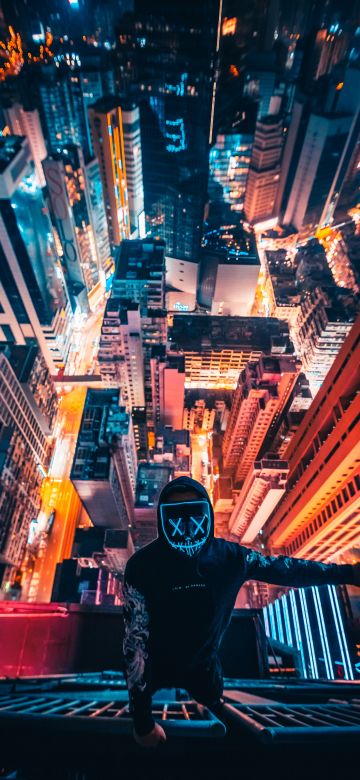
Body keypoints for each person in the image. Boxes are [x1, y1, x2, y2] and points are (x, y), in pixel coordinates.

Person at [122, 476, 360, 748]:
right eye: (177, 515)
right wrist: (142, 721)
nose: (187, 527)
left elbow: (286, 569)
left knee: (215, 725)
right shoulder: (143, 567)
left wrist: (347, 572)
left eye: (193, 512)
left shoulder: (229, 558)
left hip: (204, 668)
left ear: (207, 514)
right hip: (156, 666)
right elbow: (135, 641)